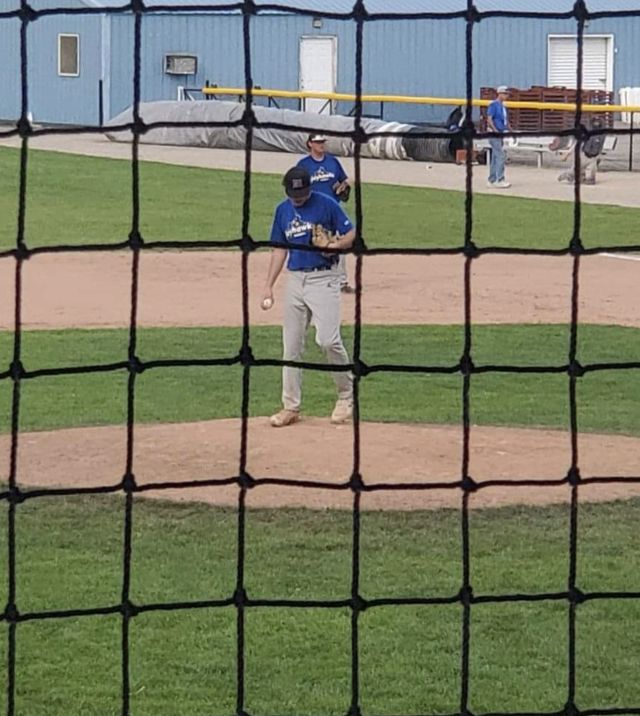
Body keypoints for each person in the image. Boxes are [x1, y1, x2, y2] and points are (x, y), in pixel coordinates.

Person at [261, 166, 356, 428]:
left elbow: (350, 233)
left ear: (309, 189)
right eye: (294, 194)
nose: (298, 198)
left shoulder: (326, 204)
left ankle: (346, 395)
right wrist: (268, 285)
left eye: (302, 193)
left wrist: (336, 245)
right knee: (291, 347)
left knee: (327, 340)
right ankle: (290, 406)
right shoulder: (282, 211)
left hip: (324, 278)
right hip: (295, 279)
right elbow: (279, 250)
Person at [297, 134, 355, 294]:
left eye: (322, 142)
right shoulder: (303, 165)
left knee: (340, 243)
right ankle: (309, 278)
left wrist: (344, 186)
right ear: (310, 144)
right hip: (312, 210)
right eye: (317, 142)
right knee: (312, 244)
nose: (321, 144)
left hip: (333, 210)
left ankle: (342, 282)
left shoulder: (332, 162)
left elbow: (345, 180)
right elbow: (297, 187)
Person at [556, 116, 606, 186]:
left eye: (598, 122)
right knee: (573, 172)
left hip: (593, 158)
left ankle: (582, 177)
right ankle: (566, 175)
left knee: (591, 180)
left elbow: (600, 147)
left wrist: (599, 157)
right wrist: (567, 155)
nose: (596, 124)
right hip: (583, 155)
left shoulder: (602, 135)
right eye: (595, 122)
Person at [486, 85, 512, 189]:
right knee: (500, 156)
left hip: (500, 133)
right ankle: (499, 179)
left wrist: (510, 129)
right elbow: (489, 119)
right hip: (494, 133)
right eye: (505, 94)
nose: (506, 96)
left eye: (507, 94)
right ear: (499, 94)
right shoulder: (493, 105)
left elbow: (505, 120)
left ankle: (492, 179)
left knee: (495, 157)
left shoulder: (503, 107)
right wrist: (495, 130)